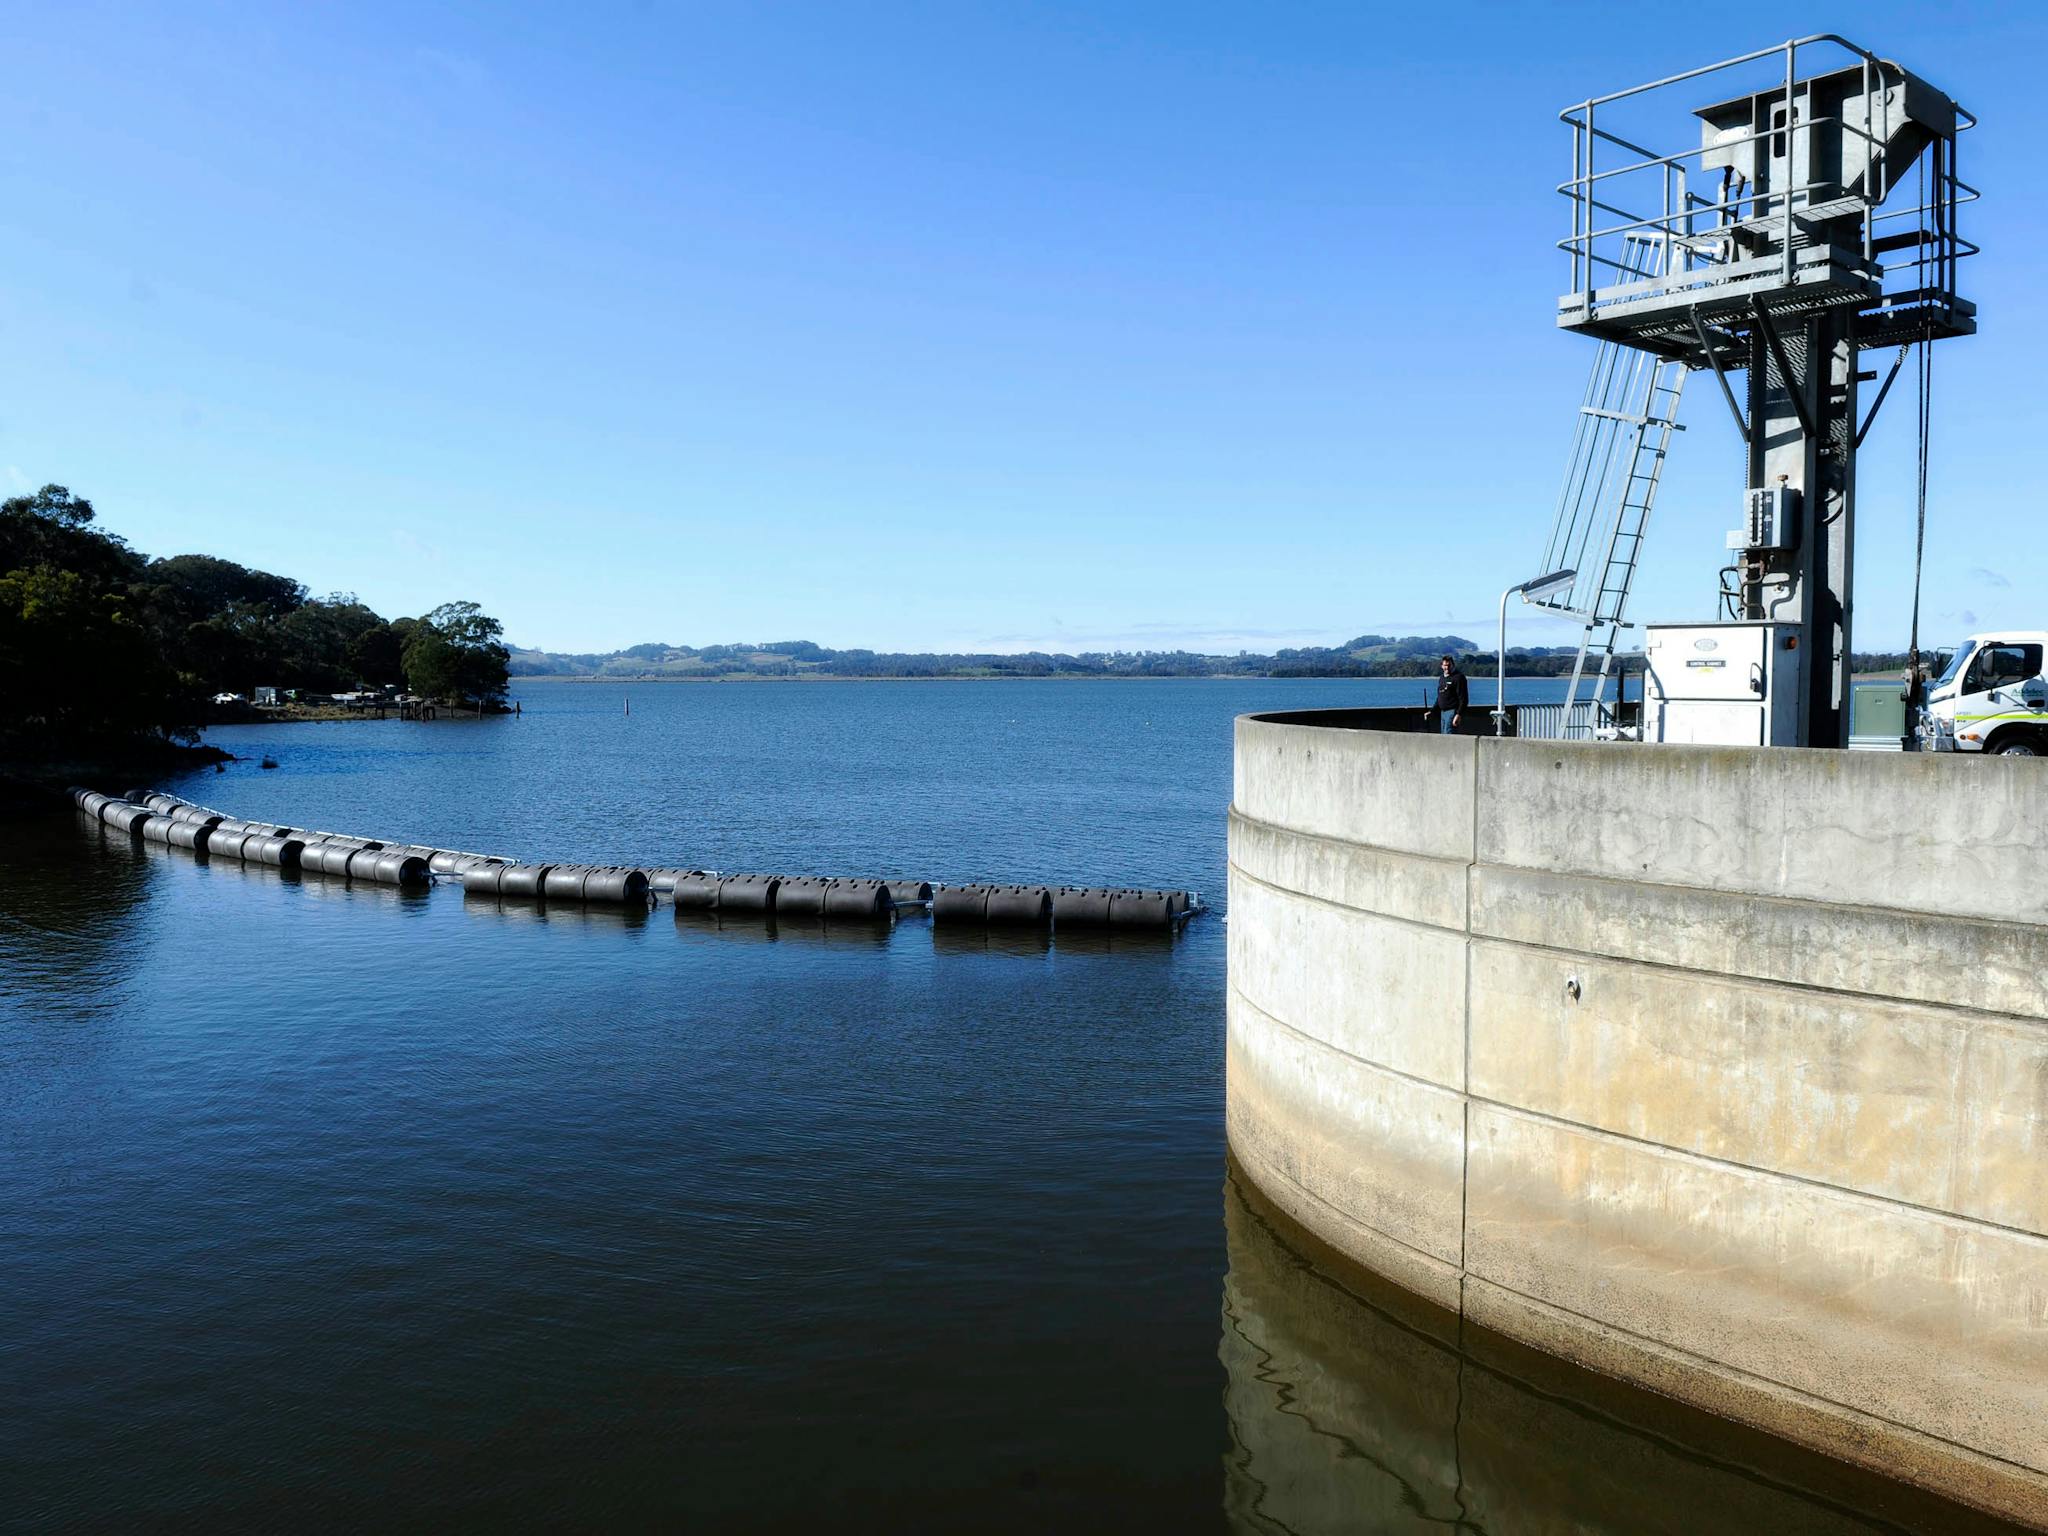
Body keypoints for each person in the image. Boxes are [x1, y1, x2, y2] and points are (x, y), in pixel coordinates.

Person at [1427, 654, 1468, 734]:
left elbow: (1463, 698)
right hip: (1442, 713)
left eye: (1449, 665)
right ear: (1442, 666)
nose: (1447, 667)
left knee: (1449, 735)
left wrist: (1458, 714)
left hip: (1452, 712)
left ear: (1453, 665)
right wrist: (1432, 711)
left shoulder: (1459, 677)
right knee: (1443, 736)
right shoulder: (1442, 678)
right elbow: (1440, 697)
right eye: (1445, 665)